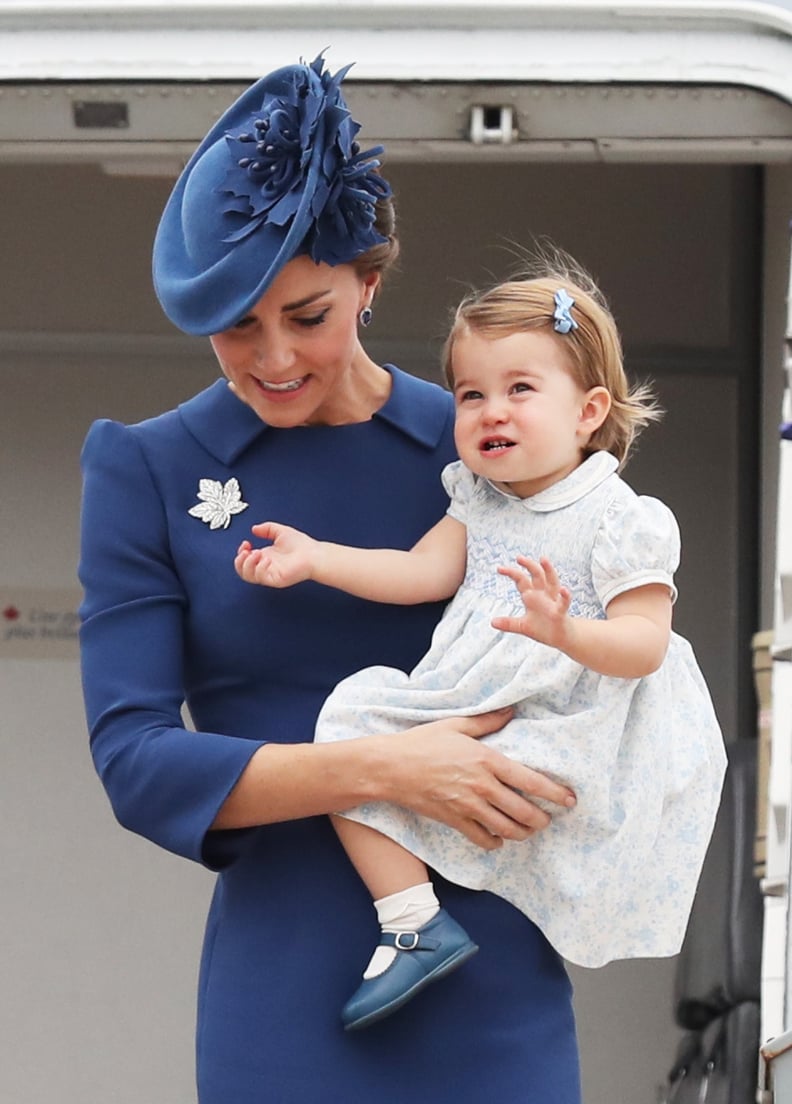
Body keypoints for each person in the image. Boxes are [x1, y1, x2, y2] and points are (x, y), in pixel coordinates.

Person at [78, 55, 583, 1104]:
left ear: (368, 278)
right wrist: (382, 766)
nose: (273, 359)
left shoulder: (488, 448)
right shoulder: (148, 469)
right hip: (293, 990)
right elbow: (137, 759)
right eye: (233, 328)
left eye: (305, 314)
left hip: (491, 973)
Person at [235, 257, 727, 1031]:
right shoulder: (479, 499)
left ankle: (458, 918)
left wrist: (566, 629)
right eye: (471, 394)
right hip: (479, 699)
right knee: (352, 714)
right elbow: (420, 570)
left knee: (478, 786)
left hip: (571, 725)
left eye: (519, 390)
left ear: (589, 410)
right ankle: (413, 921)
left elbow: (644, 644)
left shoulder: (619, 517)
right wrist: (315, 558)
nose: (490, 411)